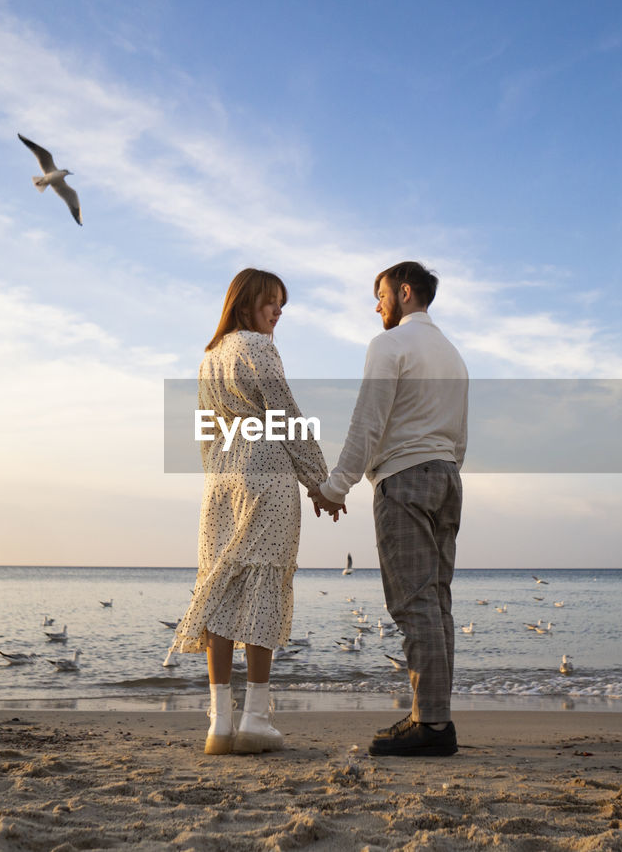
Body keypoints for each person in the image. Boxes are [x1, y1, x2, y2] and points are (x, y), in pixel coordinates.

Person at [310, 261, 468, 757]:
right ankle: (433, 716)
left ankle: (433, 725)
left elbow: (368, 420)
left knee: (413, 601)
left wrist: (336, 487)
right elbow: (460, 434)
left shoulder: (390, 344)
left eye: (379, 294)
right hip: (447, 477)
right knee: (437, 601)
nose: (375, 305)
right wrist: (445, 468)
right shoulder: (453, 354)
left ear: (403, 292)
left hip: (405, 478)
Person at [171, 268, 331, 755]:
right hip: (265, 472)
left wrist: (217, 475)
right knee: (263, 586)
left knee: (220, 586)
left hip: (221, 477)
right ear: (244, 305)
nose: (277, 311)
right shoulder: (258, 348)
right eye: (270, 302)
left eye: (282, 304)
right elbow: (284, 414)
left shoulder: (209, 359)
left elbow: (206, 430)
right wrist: (320, 482)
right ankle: (256, 721)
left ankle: (219, 724)